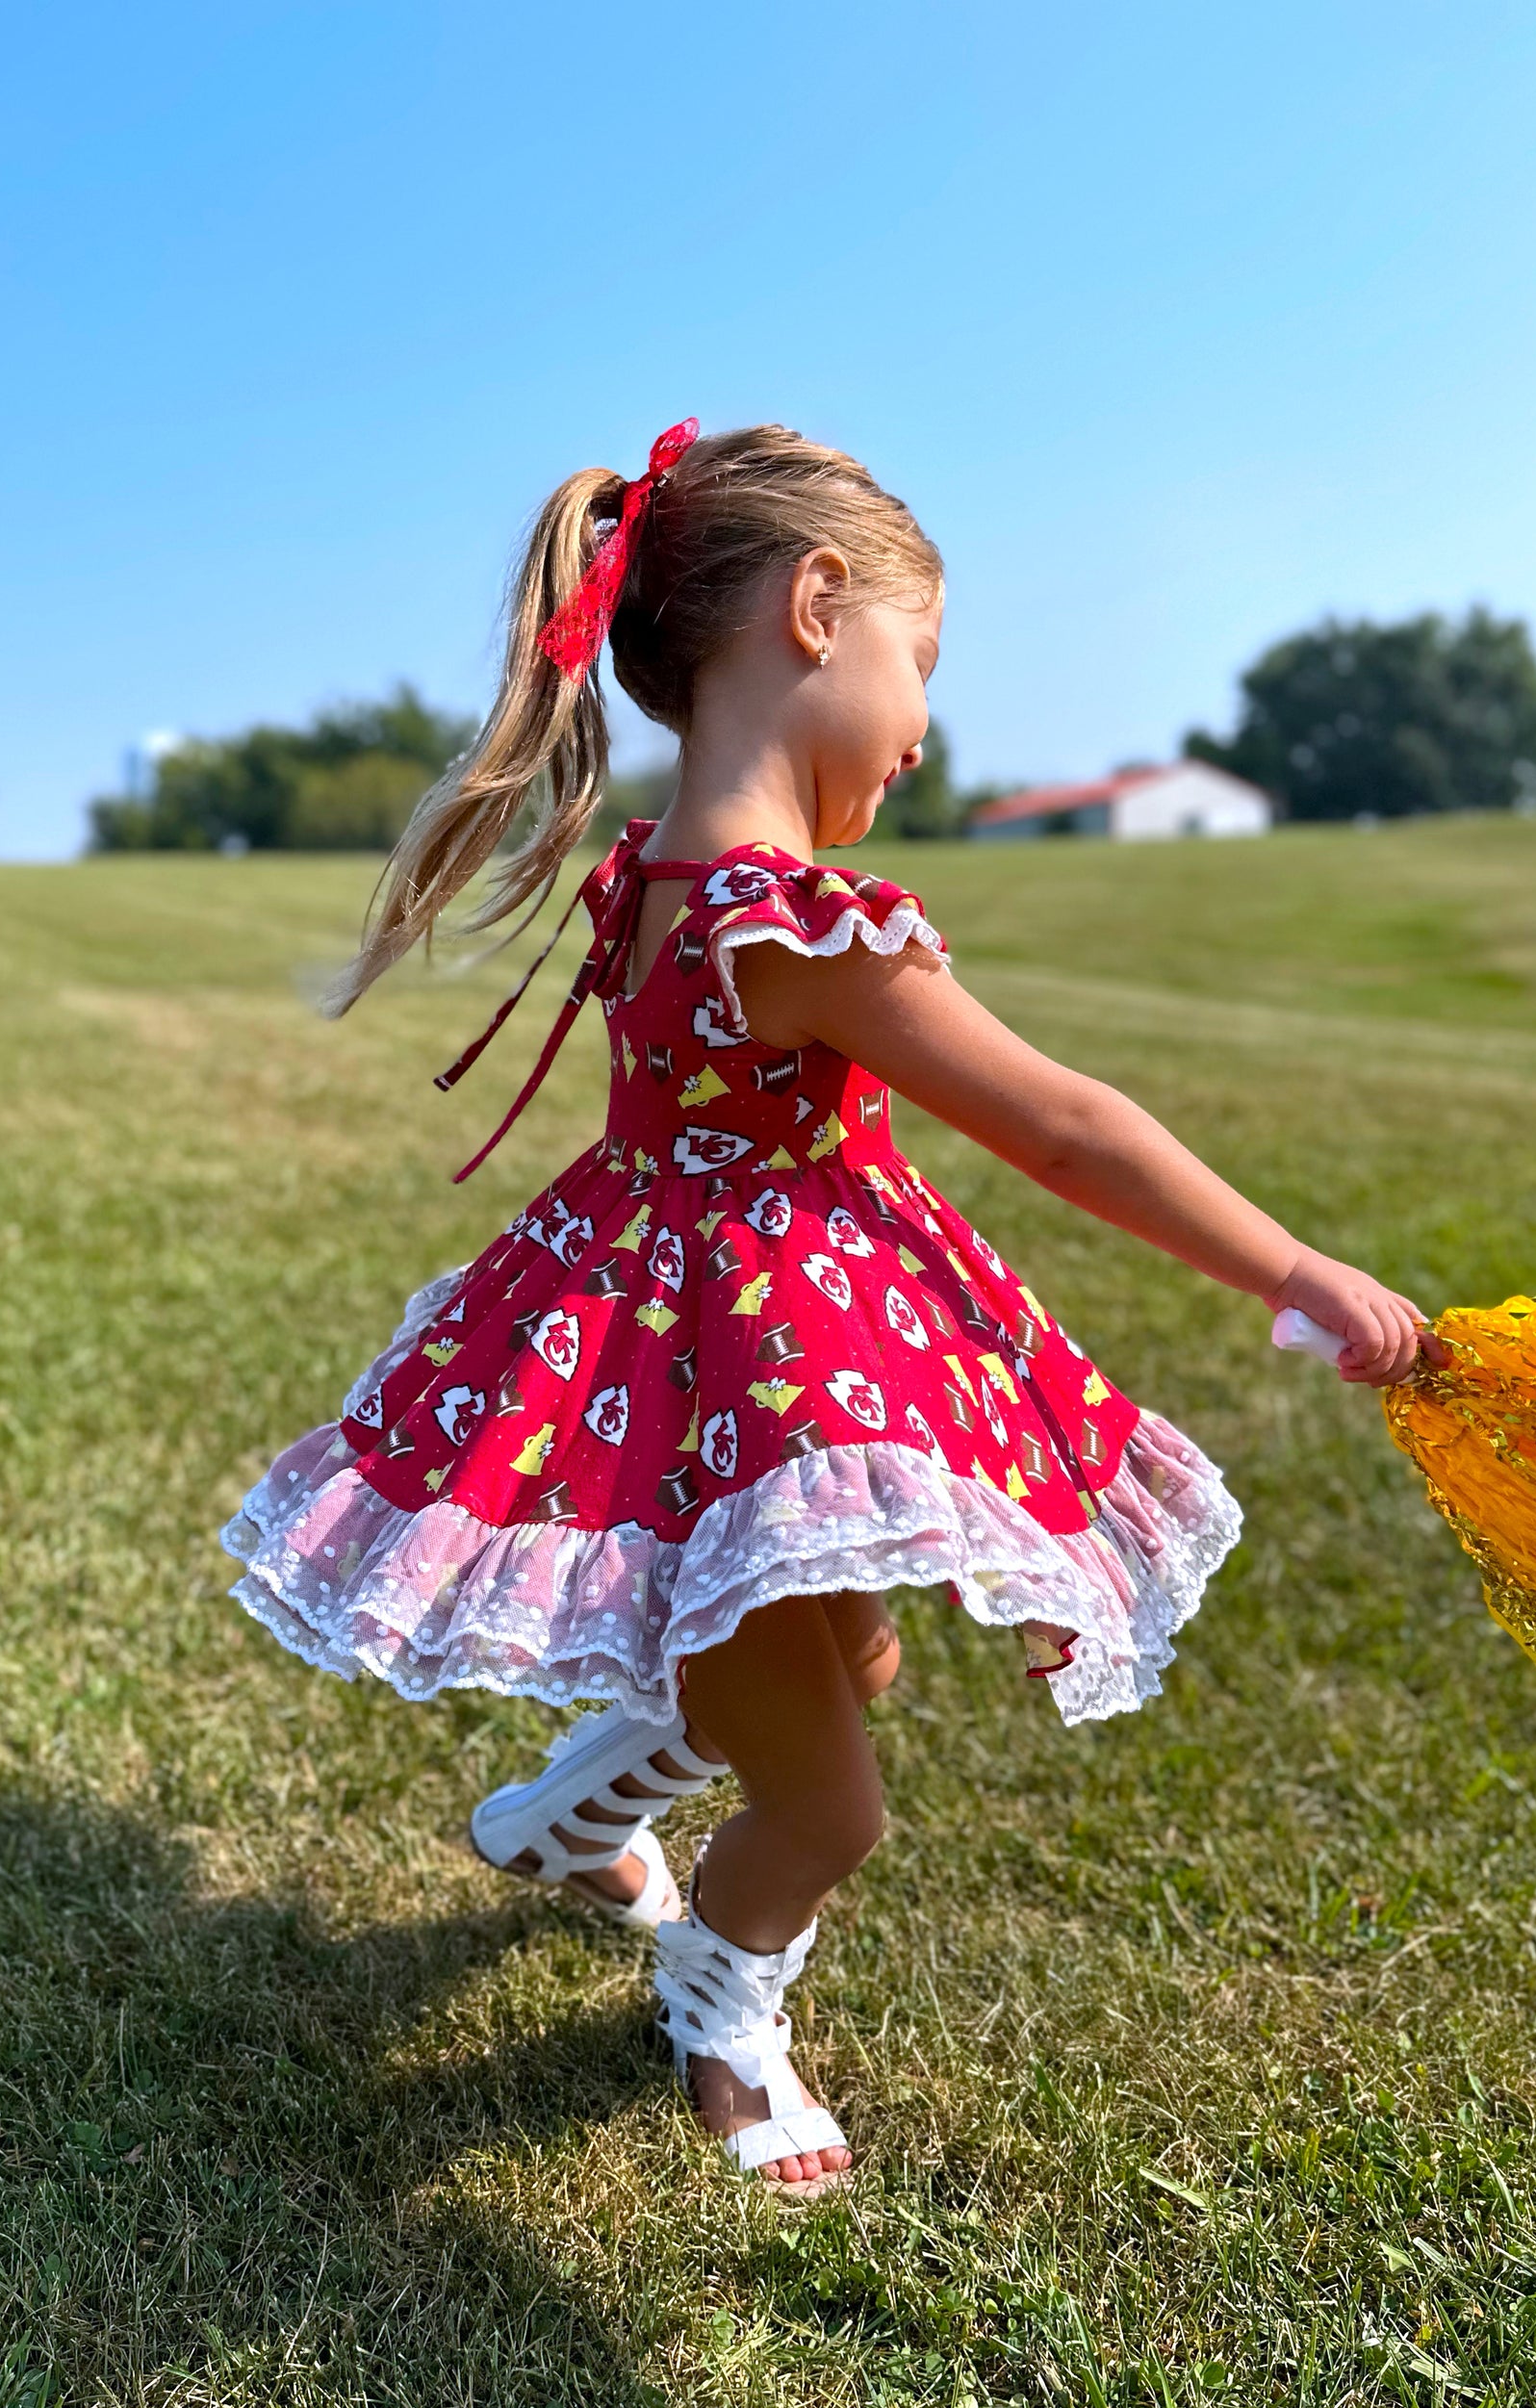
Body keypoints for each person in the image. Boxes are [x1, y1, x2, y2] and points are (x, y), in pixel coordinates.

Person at [223, 421, 1431, 2198]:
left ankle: (571, 1818)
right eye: (917, 664)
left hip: (708, 1352)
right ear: (813, 609)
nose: (927, 724)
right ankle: (720, 1999)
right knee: (828, 1803)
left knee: (841, 1652)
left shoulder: (651, 873)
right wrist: (1293, 1268)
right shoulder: (789, 922)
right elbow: (1064, 1124)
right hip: (730, 1370)